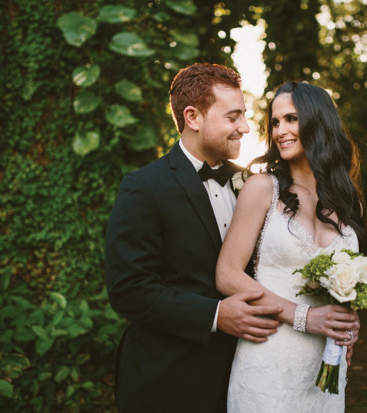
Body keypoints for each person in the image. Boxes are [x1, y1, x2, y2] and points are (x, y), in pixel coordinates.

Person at [104, 63, 285, 413]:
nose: (245, 127)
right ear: (193, 117)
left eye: (244, 116)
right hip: (169, 382)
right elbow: (129, 289)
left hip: (248, 377)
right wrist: (214, 315)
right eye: (233, 117)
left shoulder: (255, 185)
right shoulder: (143, 187)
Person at [216, 81, 367, 412]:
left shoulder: (346, 200)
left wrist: (348, 318)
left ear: (317, 121)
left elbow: (346, 280)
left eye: (291, 119)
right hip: (269, 359)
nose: (280, 131)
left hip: (326, 364)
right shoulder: (262, 189)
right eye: (274, 122)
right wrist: (304, 317)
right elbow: (227, 274)